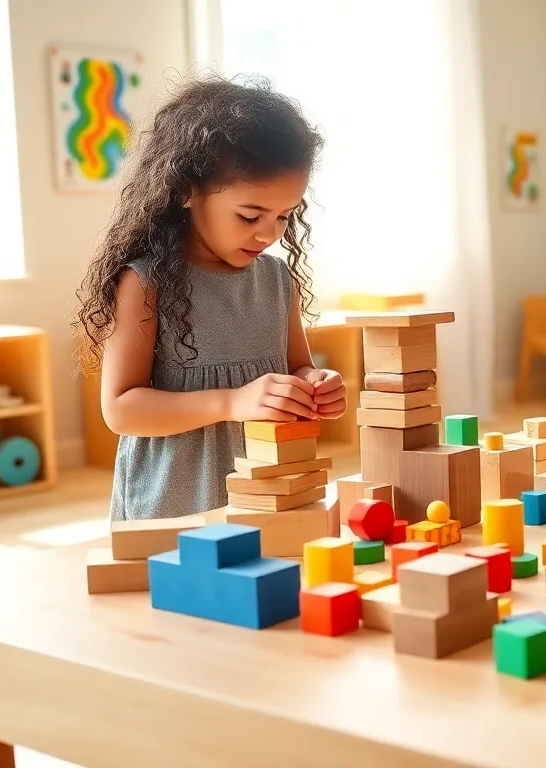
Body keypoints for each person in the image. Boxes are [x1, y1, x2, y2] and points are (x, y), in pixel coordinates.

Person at [74, 76, 347, 521]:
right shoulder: (146, 284)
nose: (269, 233)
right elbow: (121, 409)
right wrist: (230, 402)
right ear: (186, 190)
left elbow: (297, 365)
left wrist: (315, 384)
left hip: (265, 492)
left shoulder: (278, 280)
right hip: (172, 505)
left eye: (284, 216)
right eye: (250, 215)